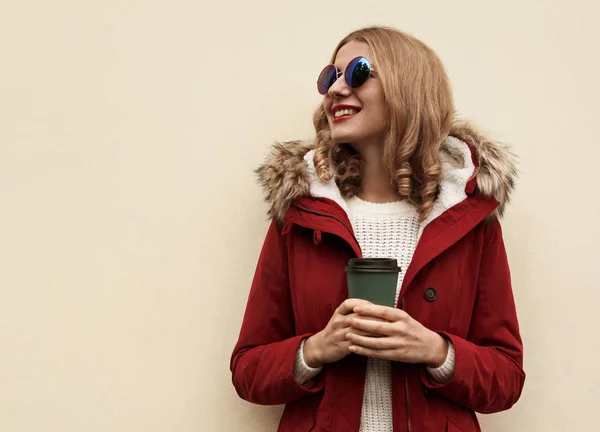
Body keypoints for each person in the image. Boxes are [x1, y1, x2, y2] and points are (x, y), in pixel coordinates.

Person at [230, 26, 525, 432]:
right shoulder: (302, 214)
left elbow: (506, 378)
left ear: (409, 86)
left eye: (357, 72)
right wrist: (317, 349)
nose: (334, 89)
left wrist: (436, 351)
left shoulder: (468, 215)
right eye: (329, 77)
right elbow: (248, 370)